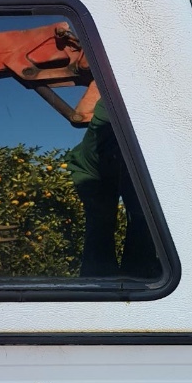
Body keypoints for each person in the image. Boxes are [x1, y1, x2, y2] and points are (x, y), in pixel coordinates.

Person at [66, 99, 160, 278]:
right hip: (94, 170)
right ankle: (102, 286)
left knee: (142, 218)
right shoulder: (119, 97)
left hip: (119, 163)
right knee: (106, 222)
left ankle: (139, 278)